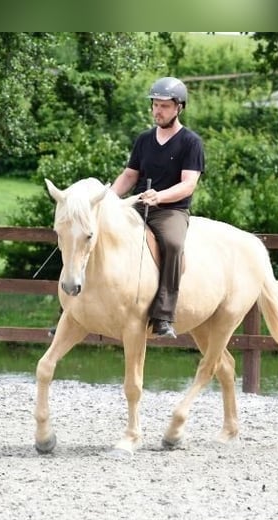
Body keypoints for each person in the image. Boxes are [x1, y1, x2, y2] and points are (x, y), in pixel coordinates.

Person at [109, 76, 205, 339]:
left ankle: (163, 315)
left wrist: (160, 196)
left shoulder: (191, 142)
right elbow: (130, 175)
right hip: (138, 204)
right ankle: (70, 309)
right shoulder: (144, 139)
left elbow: (188, 185)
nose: (157, 111)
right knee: (97, 230)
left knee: (173, 244)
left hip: (171, 210)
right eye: (155, 105)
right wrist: (107, 199)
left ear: (179, 107)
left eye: (164, 106)